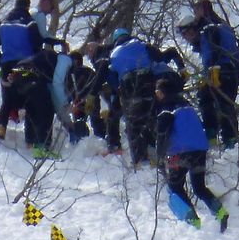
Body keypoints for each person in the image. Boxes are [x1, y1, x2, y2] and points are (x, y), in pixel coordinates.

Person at [155, 78, 229, 232]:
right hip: (200, 150)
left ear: (162, 93)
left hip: (180, 152)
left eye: (158, 92)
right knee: (199, 187)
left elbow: (163, 132)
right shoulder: (187, 107)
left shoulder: (166, 109)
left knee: (175, 186)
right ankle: (220, 212)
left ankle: (192, 221)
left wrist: (159, 154)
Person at [108, 28, 176, 166]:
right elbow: (160, 58)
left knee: (134, 125)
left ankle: (140, 160)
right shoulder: (141, 44)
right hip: (147, 83)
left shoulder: (113, 54)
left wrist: (117, 92)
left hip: (128, 88)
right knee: (154, 118)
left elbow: (112, 78)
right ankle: (170, 152)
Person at [177, 11, 239, 149]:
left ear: (193, 28)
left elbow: (213, 50)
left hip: (223, 70)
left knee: (222, 105)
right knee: (207, 98)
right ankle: (215, 135)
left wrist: (213, 69)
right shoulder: (219, 27)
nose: (187, 38)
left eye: (187, 34)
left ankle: (227, 140)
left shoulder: (208, 31)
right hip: (232, 70)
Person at [0, 0, 43, 141]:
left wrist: (1, 63)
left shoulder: (2, 23)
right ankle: (30, 138)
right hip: (25, 64)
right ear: (27, 6)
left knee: (6, 101)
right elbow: (37, 44)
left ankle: (0, 131)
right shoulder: (29, 22)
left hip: (7, 65)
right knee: (29, 99)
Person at [12, 48, 74, 157]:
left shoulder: (47, 66)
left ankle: (30, 140)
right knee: (46, 109)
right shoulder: (65, 60)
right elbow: (57, 83)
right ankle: (42, 147)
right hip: (31, 74)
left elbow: (53, 91)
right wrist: (64, 105)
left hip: (19, 73)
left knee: (32, 106)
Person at [86, 42, 123, 154]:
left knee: (113, 116)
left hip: (119, 88)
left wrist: (92, 93)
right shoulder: (109, 54)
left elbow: (101, 75)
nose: (88, 53)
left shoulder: (101, 57)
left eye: (89, 51)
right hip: (120, 87)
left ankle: (115, 147)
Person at [67, 50, 105, 143]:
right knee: (95, 119)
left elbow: (68, 89)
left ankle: (80, 142)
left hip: (79, 100)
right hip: (92, 98)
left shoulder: (70, 73)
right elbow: (97, 84)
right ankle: (101, 138)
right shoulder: (89, 71)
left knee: (79, 121)